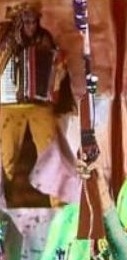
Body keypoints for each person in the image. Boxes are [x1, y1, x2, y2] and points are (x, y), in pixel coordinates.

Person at [0, 2, 73, 207]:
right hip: (8, 103)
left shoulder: (45, 39)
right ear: (19, 20)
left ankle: (58, 202)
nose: (31, 25)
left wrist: (59, 73)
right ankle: (2, 204)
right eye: (27, 20)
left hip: (40, 104)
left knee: (50, 150)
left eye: (34, 20)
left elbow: (56, 70)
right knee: (6, 154)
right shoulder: (4, 37)